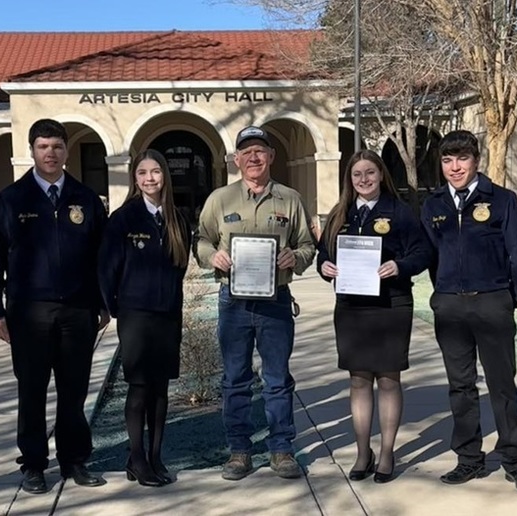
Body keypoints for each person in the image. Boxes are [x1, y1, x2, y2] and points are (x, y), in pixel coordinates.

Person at [0, 119, 109, 494]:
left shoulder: (86, 199)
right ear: (32, 151)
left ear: (66, 151)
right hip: (29, 313)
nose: (50, 153)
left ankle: (75, 460)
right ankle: (34, 464)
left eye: (56, 146)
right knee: (32, 391)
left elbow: (100, 258)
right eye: (42, 147)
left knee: (74, 390)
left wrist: (102, 303)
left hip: (77, 311)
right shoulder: (10, 201)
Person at [194, 126, 316, 481]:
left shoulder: (290, 199)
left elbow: (307, 245)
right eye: (246, 152)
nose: (253, 158)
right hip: (233, 302)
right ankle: (239, 451)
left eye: (260, 151)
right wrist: (212, 256)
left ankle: (281, 449)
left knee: (277, 379)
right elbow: (201, 239)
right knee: (235, 379)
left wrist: (296, 257)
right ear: (236, 159)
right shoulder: (220, 199)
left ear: (271, 156)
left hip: (275, 301)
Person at [420, 130, 517, 492]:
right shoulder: (433, 205)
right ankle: (469, 459)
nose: (454, 167)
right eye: (447, 160)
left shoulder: (502, 200)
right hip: (451, 306)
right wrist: (442, 292)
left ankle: (514, 460)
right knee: (461, 386)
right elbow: (429, 256)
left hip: (491, 302)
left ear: (476, 161)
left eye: (461, 159)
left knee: (502, 384)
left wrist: (507, 298)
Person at [316, 150, 432, 483]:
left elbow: (423, 252)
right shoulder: (340, 213)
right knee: (358, 380)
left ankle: (386, 453)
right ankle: (363, 450)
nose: (364, 179)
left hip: (391, 305)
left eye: (370, 173)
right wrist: (324, 267)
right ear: (349, 180)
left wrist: (400, 266)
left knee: (389, 379)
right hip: (352, 307)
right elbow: (324, 254)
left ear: (381, 175)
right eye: (357, 175)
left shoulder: (400, 212)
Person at [98, 150, 191, 487]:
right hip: (136, 315)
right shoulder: (123, 218)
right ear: (135, 179)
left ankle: (155, 456)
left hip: (167, 314)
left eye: (155, 172)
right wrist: (113, 307)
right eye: (142, 173)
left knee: (161, 389)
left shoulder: (177, 219)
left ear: (164, 175)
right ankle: (136, 458)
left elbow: (180, 268)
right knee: (139, 388)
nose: (150, 178)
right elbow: (107, 269)